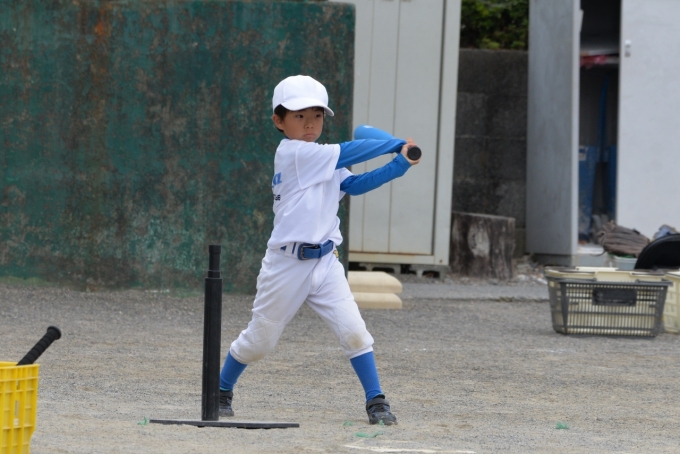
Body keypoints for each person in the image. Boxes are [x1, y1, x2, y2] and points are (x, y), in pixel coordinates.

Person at [218, 75, 420, 425]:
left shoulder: (324, 158)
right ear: (279, 121)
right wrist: (397, 144)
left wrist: (399, 163)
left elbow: (355, 184)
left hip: (326, 262)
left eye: (317, 115)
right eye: (299, 116)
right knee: (260, 342)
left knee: (354, 331)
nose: (310, 123)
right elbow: (350, 151)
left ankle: (376, 400)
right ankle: (221, 388)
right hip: (286, 264)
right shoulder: (294, 153)